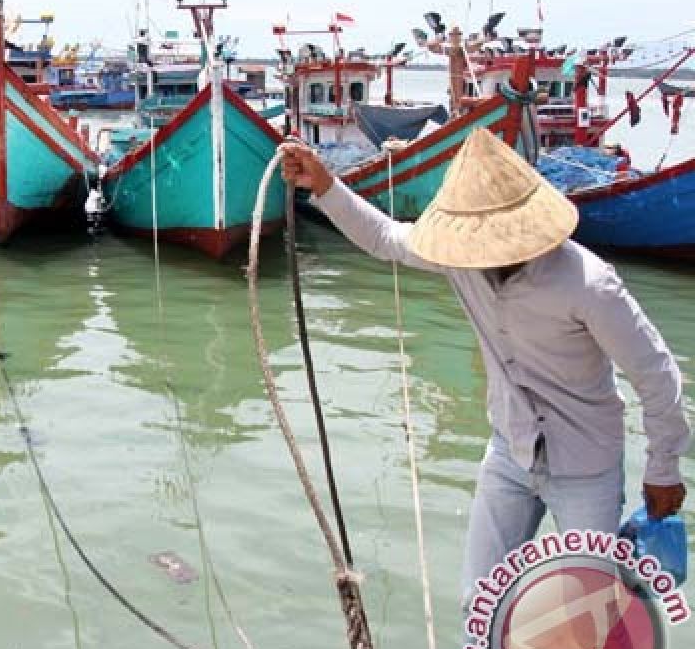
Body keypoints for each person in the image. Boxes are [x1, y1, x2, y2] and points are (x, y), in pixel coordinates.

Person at [278, 129, 689, 609]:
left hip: (585, 464)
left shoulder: (588, 285)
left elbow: (656, 373)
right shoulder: (460, 259)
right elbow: (385, 237)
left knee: (587, 607)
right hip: (510, 450)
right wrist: (324, 185)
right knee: (481, 601)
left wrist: (663, 467)